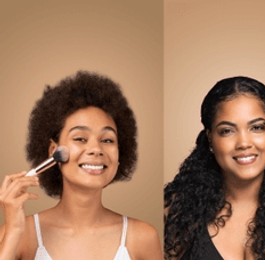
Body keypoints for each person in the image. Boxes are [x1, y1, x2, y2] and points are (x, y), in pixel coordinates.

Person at [1, 71, 161, 260]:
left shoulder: (143, 238)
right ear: (54, 151)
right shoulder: (21, 234)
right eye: (80, 138)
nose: (96, 149)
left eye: (108, 140)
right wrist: (13, 232)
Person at [164, 76, 265, 260]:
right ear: (210, 139)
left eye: (256, 127)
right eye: (227, 130)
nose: (244, 143)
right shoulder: (176, 211)